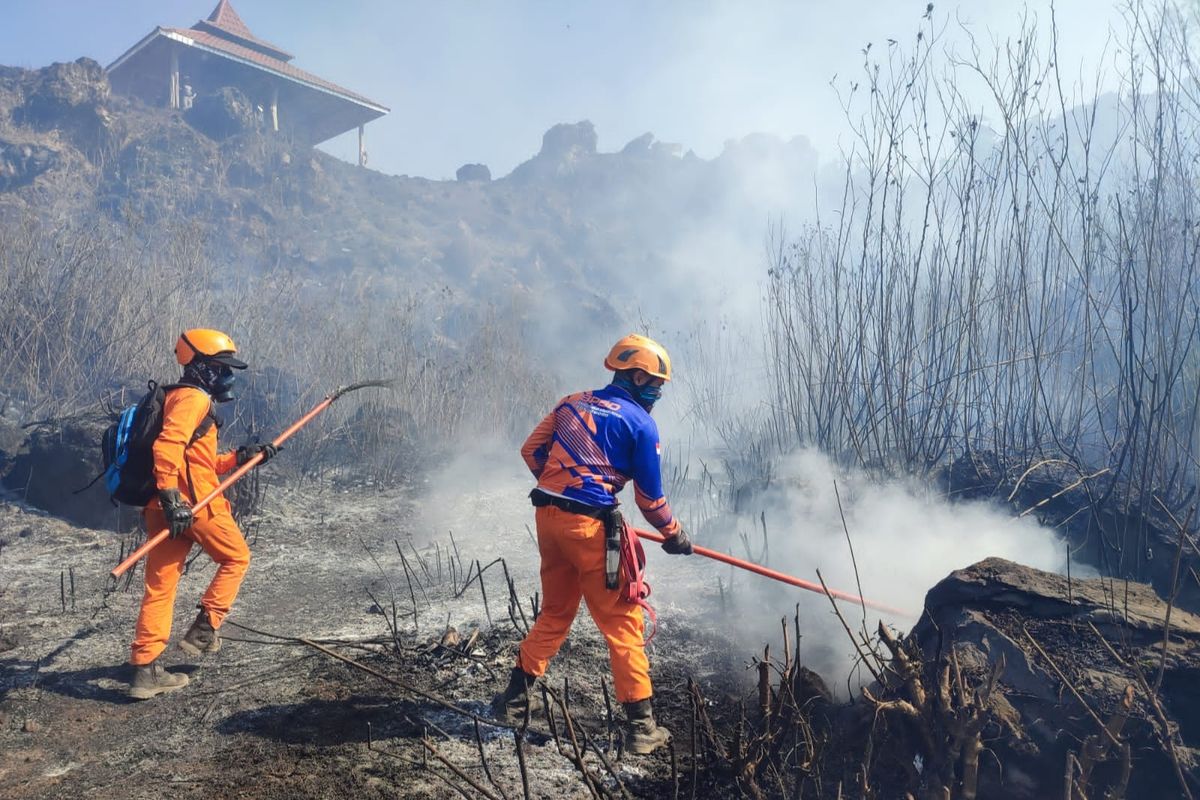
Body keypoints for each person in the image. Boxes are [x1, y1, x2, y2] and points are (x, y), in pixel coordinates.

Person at [492, 333, 693, 754]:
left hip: (547, 519)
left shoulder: (571, 402)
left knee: (556, 613)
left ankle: (511, 703)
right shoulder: (640, 423)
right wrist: (674, 535)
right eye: (656, 383)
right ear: (637, 376)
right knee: (622, 623)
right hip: (589, 531)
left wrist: (562, 492)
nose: (658, 392)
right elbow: (651, 501)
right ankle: (641, 729)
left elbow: (532, 452)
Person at [127, 329, 277, 700]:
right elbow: (168, 447)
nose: (228, 377)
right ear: (200, 368)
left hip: (166, 508)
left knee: (160, 587)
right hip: (193, 506)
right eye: (221, 369)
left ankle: (145, 671)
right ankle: (205, 628)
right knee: (237, 557)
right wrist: (172, 497)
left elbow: (201, 461)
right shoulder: (193, 398)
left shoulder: (179, 398)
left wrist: (239, 458)